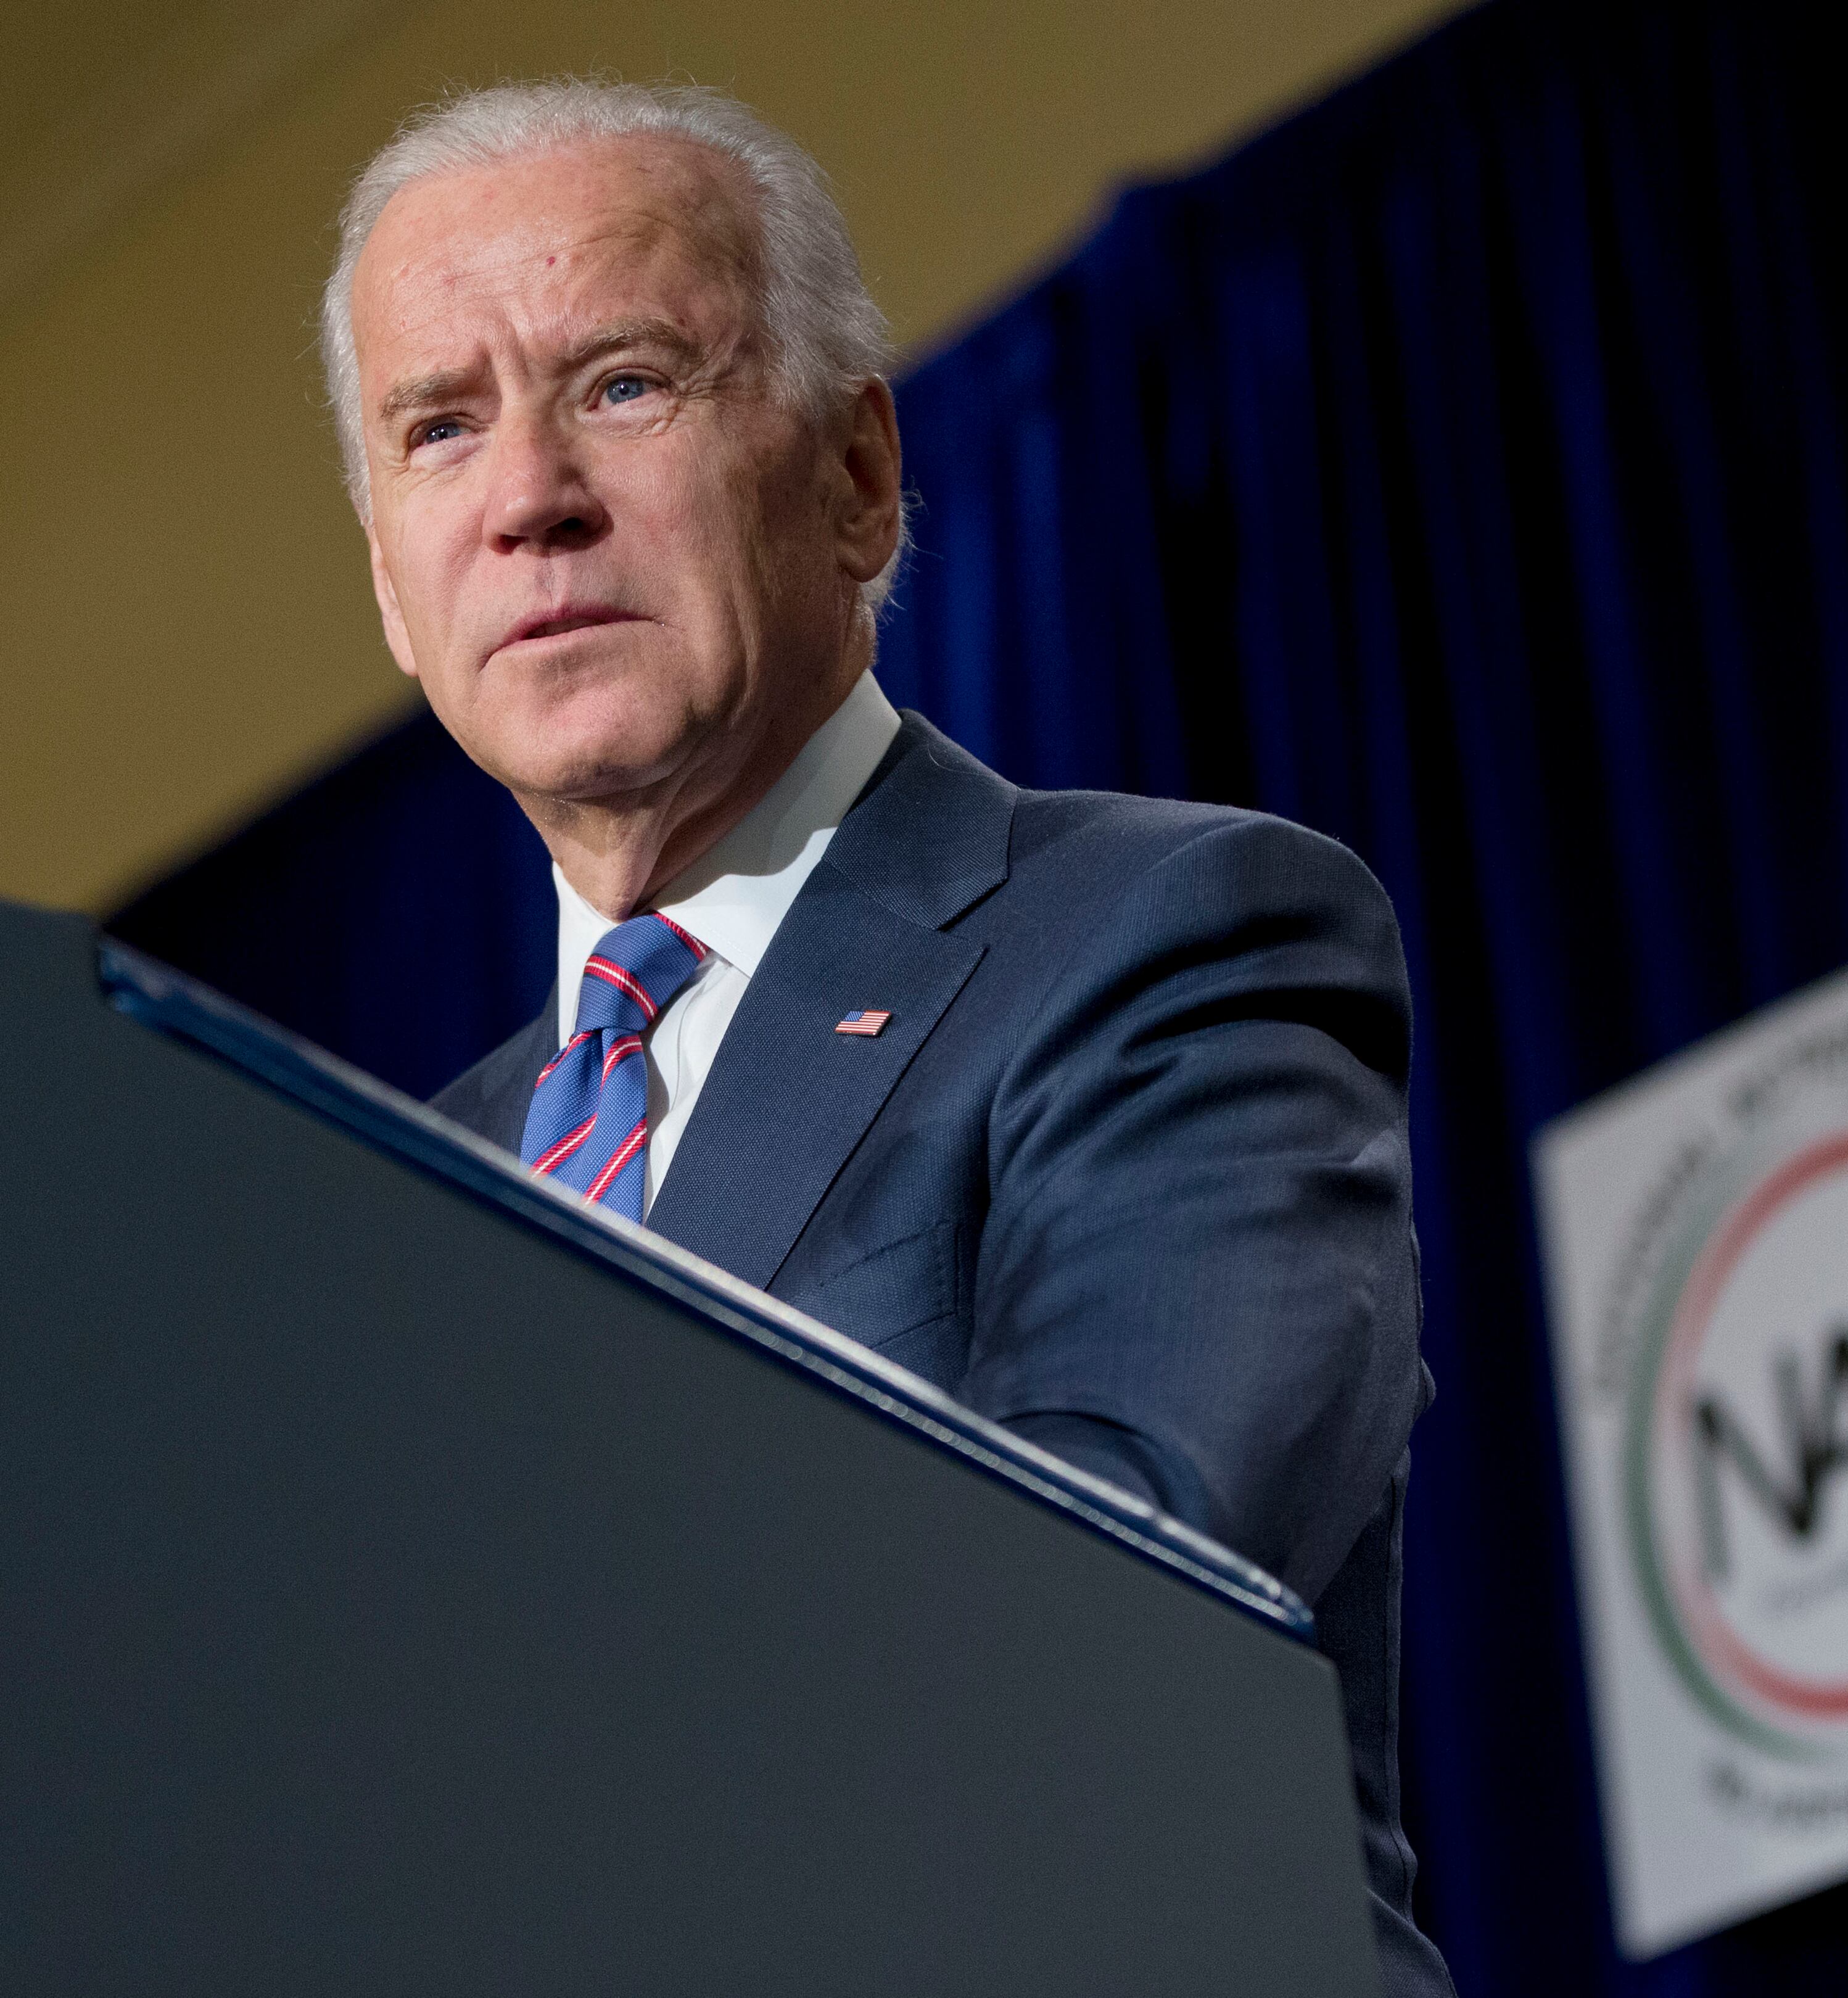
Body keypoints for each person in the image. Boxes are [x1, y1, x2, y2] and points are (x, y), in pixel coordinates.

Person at [328, 80, 1454, 1996]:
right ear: (390, 590)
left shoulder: (1167, 942)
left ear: (858, 478)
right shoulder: (386, 1207)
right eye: (441, 427)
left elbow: (1105, 1605)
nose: (527, 498)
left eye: (621, 385)